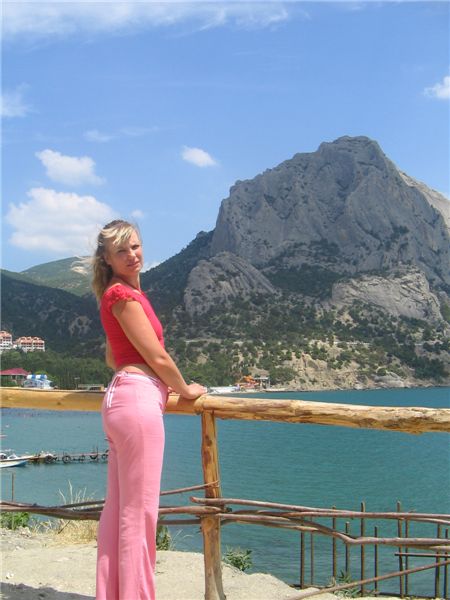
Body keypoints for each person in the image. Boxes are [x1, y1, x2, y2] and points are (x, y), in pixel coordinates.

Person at [92, 219, 206, 600]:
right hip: (138, 404)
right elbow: (157, 357)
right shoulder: (122, 295)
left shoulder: (118, 295)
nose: (132, 255)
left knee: (118, 512)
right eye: (121, 251)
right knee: (138, 516)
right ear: (107, 259)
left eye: (135, 246)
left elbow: (114, 358)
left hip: (121, 401)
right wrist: (185, 389)